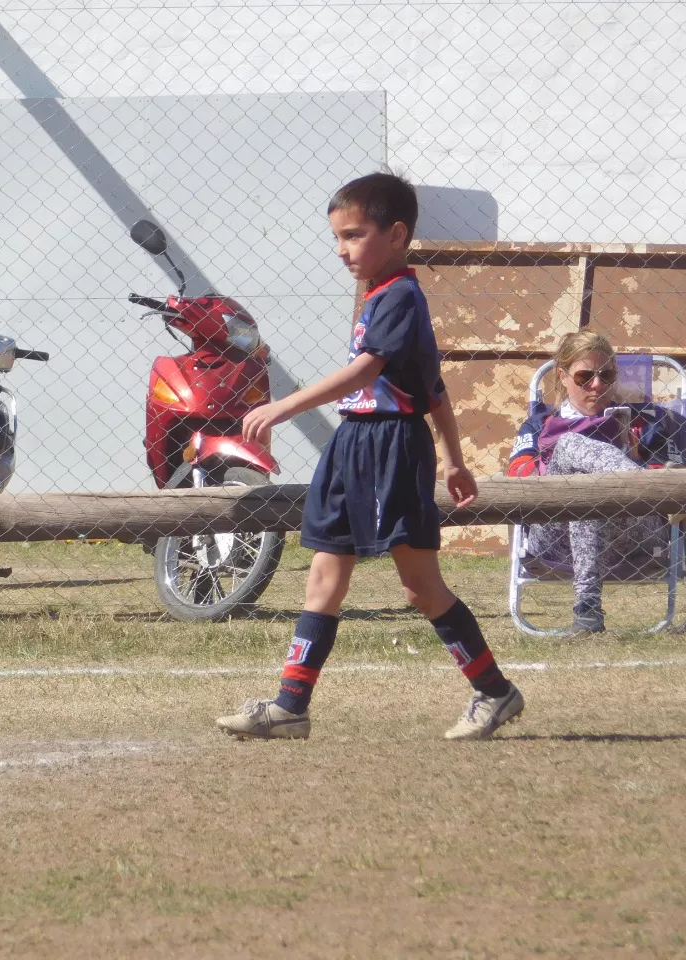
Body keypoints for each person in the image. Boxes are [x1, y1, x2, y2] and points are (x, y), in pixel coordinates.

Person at [215, 173, 524, 742]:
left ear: (397, 233)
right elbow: (433, 386)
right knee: (323, 578)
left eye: (354, 236)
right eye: (337, 237)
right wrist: (455, 459)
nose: (342, 250)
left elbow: (371, 375)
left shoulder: (402, 296)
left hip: (392, 448)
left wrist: (283, 406)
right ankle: (290, 708)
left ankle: (494, 691)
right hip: (352, 445)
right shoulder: (379, 296)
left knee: (419, 586)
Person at [508, 331, 673, 633]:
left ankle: (587, 609)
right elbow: (518, 478)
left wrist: (641, 461)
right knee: (571, 448)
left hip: (632, 534)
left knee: (586, 484)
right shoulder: (540, 424)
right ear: (563, 375)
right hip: (555, 534)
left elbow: (670, 483)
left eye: (606, 375)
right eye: (585, 376)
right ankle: (587, 606)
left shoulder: (642, 422)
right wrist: (554, 463)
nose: (597, 386)